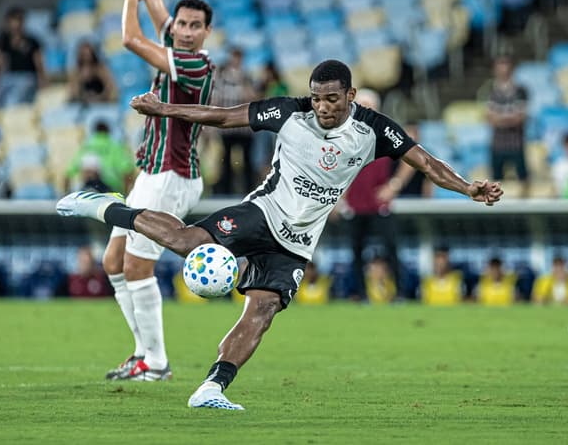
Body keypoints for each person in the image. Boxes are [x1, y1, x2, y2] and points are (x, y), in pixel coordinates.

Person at [57, 59, 503, 409]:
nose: (323, 107)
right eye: (316, 98)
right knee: (185, 242)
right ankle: (104, 205)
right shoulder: (290, 112)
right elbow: (223, 118)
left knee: (264, 310)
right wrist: (164, 109)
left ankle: (212, 387)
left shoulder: (374, 130)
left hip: (298, 242)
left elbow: (425, 163)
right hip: (262, 213)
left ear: (349, 95)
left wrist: (467, 188)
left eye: (331, 99)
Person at [93, 0, 217, 383]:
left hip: (173, 176)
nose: (184, 29)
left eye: (194, 25)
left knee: (136, 264)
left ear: (206, 32)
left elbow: (129, 37)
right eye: (182, 23)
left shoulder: (195, 66)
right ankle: (145, 354)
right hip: (152, 170)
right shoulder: (176, 42)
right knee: (112, 262)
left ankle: (156, 362)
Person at [338, 89, 414, 301]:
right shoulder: (344, 136)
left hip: (379, 204)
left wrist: (394, 185)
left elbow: (411, 158)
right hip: (355, 204)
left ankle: (400, 293)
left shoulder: (386, 133)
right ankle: (361, 294)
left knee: (391, 248)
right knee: (356, 251)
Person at [482, 56, 529, 197]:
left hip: (516, 144)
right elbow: (490, 118)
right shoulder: (490, 90)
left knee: (523, 180)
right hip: (497, 145)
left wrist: (500, 117)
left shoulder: (521, 90)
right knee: (496, 182)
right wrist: (509, 117)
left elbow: (520, 118)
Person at [213, 48, 257, 195]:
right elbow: (216, 100)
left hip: (244, 127)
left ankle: (249, 190)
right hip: (227, 127)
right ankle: (225, 191)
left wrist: (242, 83)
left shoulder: (247, 77)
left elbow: (253, 98)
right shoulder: (221, 77)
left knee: (247, 160)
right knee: (226, 160)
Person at [0, 6, 47, 106]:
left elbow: (39, 63)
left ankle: (11, 109)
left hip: (27, 77)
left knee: (17, 93)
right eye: (13, 21)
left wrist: (42, 80)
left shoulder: (32, 41)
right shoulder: (3, 41)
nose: (16, 24)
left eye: (18, 20)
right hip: (9, 77)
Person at [66, 121, 134, 194]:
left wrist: (65, 193)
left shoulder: (86, 147)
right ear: (108, 132)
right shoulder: (115, 146)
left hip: (87, 189)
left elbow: (68, 174)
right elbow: (127, 171)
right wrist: (125, 194)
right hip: (111, 190)